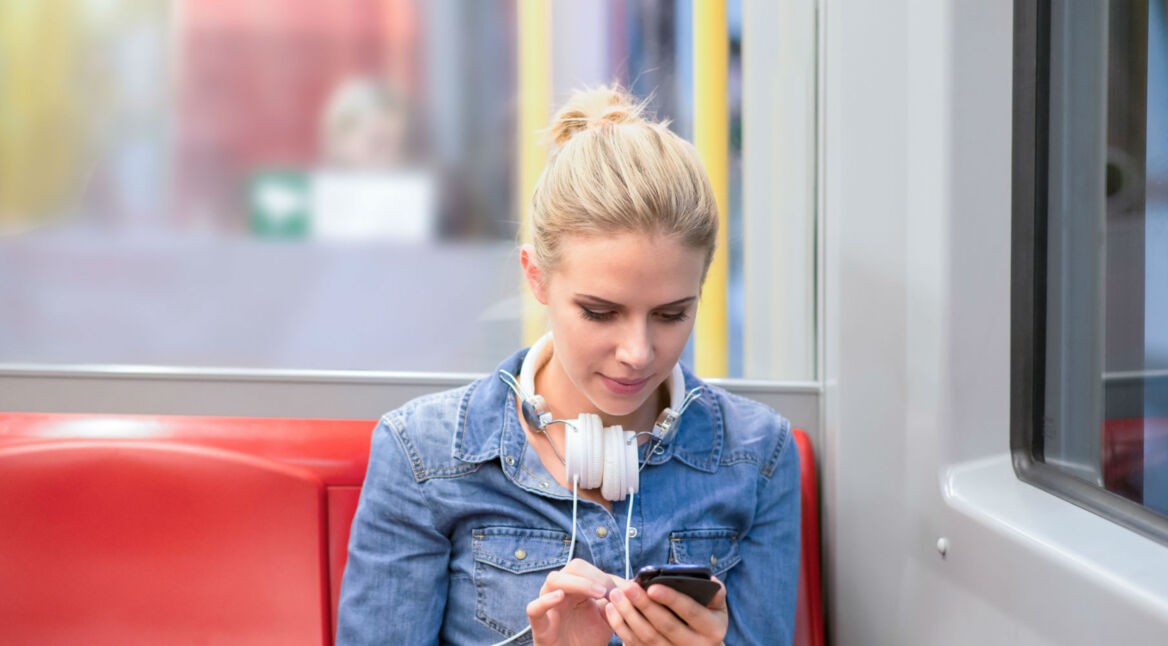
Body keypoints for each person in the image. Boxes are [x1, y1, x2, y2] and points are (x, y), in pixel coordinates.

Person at [336, 86, 800, 645]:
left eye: (672, 314)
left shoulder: (758, 456)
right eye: (600, 313)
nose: (638, 352)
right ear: (536, 278)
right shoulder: (425, 455)